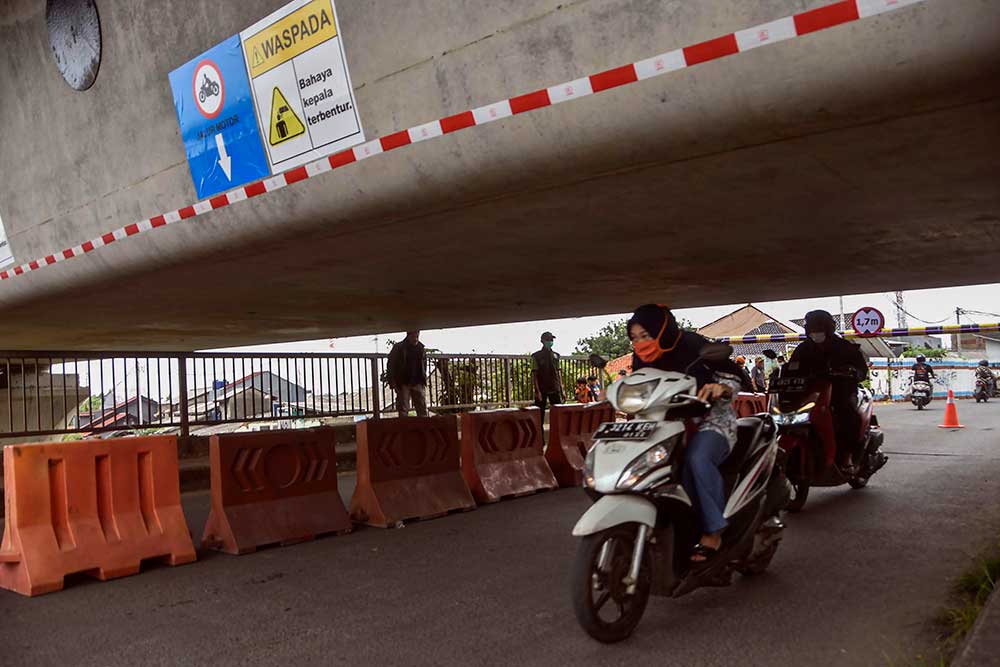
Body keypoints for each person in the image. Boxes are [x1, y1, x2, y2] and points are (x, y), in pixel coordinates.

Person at [628, 304, 748, 563]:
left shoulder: (694, 345)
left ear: (663, 331)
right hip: (664, 425)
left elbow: (732, 376)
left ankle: (713, 531)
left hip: (711, 420)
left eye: (646, 335)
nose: (640, 343)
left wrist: (720, 388)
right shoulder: (641, 359)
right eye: (635, 338)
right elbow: (637, 386)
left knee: (697, 459)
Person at [788, 310, 868, 468]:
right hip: (809, 394)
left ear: (829, 327)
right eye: (812, 327)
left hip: (841, 392)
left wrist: (851, 372)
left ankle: (847, 455)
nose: (816, 331)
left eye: (819, 327)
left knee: (847, 415)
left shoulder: (845, 347)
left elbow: (862, 371)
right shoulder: (803, 349)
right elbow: (790, 368)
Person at [387, 331, 428, 417]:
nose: (416, 338)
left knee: (422, 408)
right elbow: (391, 365)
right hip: (403, 382)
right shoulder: (399, 348)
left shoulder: (420, 348)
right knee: (403, 409)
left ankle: (423, 428)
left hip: (418, 381)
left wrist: (423, 378)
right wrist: (392, 381)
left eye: (417, 335)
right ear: (409, 335)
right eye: (414, 336)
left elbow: (423, 364)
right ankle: (404, 428)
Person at [532, 331, 564, 422]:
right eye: (548, 340)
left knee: (558, 414)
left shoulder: (556, 356)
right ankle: (540, 436)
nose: (550, 341)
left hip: (554, 387)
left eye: (551, 340)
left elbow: (558, 373)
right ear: (542, 341)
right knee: (539, 415)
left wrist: (561, 389)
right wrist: (537, 391)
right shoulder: (536, 356)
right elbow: (535, 374)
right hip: (542, 388)